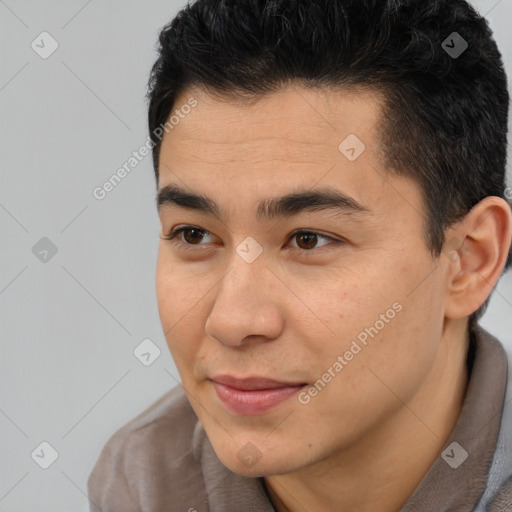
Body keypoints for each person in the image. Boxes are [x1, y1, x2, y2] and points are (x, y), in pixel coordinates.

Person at [87, 0, 512, 510]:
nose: (231, 321)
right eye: (195, 235)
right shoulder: (143, 482)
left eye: (308, 238)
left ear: (469, 259)